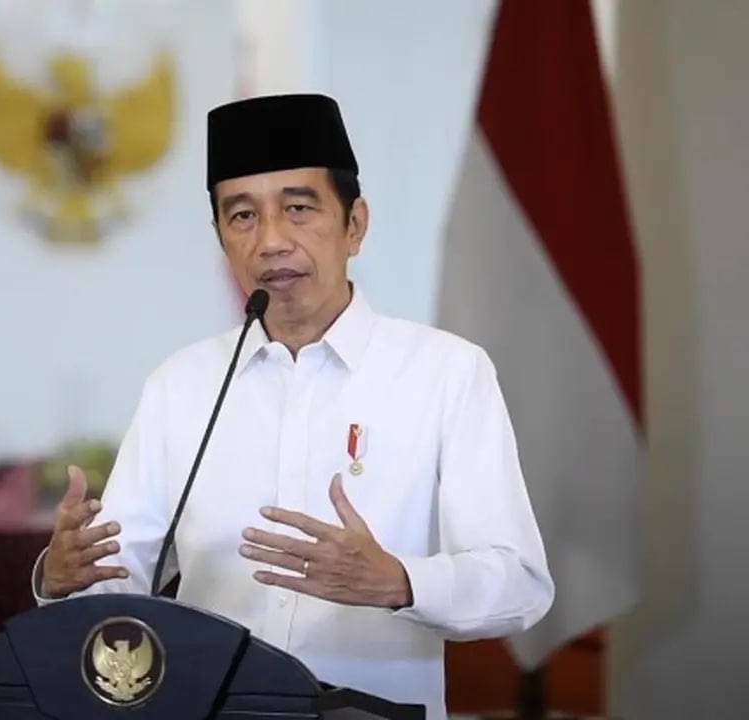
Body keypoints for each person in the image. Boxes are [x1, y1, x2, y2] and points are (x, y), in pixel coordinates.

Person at [29, 93, 554, 720]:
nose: (271, 241)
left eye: (298, 209)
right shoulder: (181, 384)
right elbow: (120, 588)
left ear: (355, 225)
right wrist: (66, 577)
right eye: (242, 216)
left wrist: (398, 581)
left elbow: (520, 583)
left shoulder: (447, 373)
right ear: (221, 238)